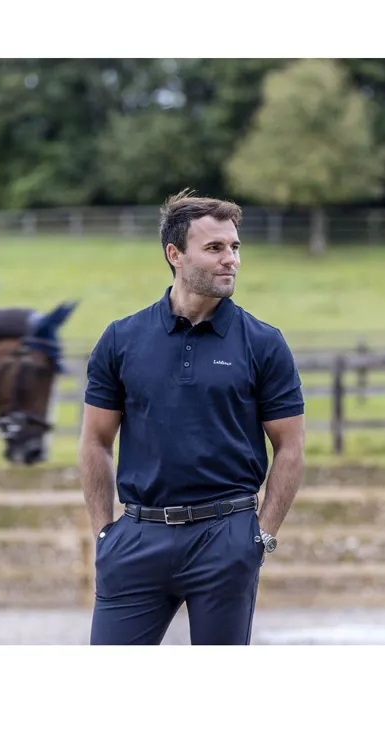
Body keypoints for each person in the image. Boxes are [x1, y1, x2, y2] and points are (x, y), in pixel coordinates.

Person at [79, 189, 306, 645]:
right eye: (215, 248)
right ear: (175, 254)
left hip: (226, 539)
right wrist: (103, 533)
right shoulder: (121, 339)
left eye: (235, 247)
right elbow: (95, 441)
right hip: (137, 539)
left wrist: (262, 536)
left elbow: (291, 446)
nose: (231, 260)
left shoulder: (264, 343)